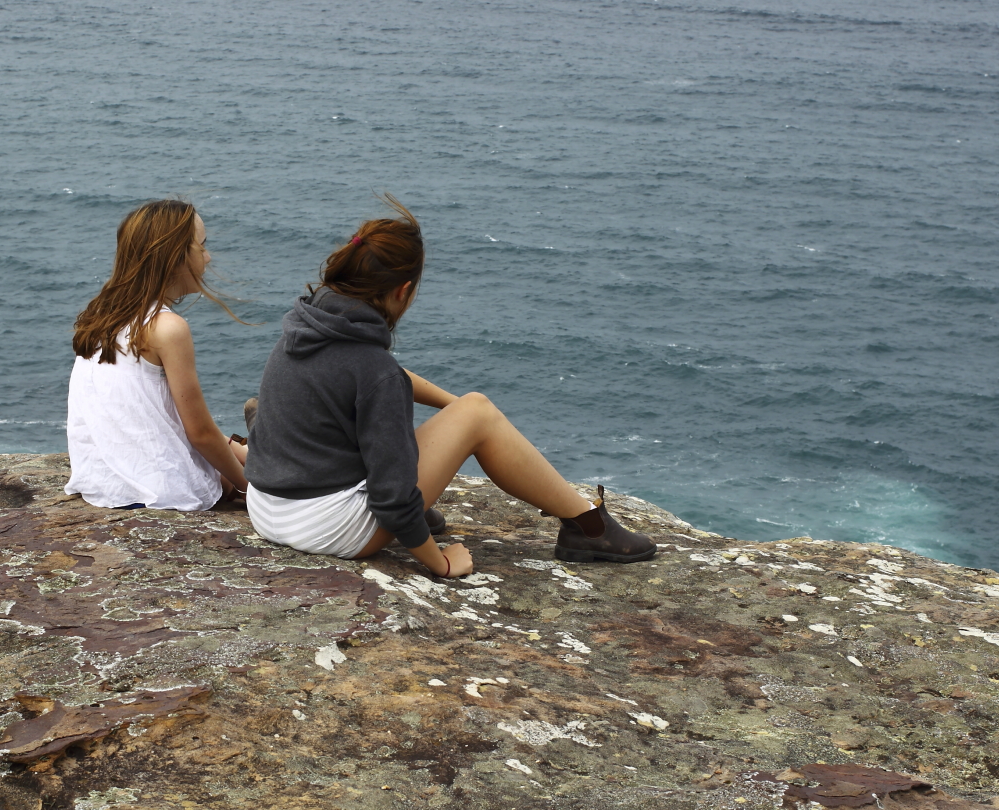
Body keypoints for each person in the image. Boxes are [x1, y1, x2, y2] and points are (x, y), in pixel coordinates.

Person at [243, 196, 655, 578]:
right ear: (403, 291)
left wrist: (456, 410)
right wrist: (438, 561)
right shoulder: (373, 369)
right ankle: (588, 526)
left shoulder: (307, 327)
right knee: (475, 412)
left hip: (267, 507)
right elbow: (392, 495)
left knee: (470, 412)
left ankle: (483, 441)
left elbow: (375, 378)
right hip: (328, 529)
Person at [64, 199, 248, 510]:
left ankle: (255, 446)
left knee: (241, 453)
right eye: (201, 246)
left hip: (102, 477)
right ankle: (264, 448)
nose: (208, 256)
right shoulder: (167, 328)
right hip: (151, 487)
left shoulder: (104, 313)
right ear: (174, 258)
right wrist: (248, 489)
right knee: (254, 472)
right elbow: (200, 433)